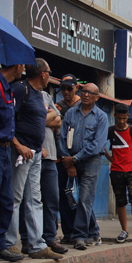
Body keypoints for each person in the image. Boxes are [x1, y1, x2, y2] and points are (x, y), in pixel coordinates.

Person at [6, 59, 63, 260]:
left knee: (34, 199)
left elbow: (55, 119)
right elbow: (8, 118)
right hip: (22, 152)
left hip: (36, 152)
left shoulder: (41, 95)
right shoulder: (21, 90)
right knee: (15, 197)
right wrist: (18, 145)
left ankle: (37, 244)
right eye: (49, 71)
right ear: (43, 74)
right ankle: (9, 242)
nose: (49, 75)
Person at [0, 62, 26, 263]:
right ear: (17, 65)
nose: (24, 70)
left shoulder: (9, 89)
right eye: (23, 66)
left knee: (5, 200)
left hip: (6, 148)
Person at [60, 82, 109, 250]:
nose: (86, 95)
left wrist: (75, 158)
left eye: (90, 93)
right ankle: (94, 231)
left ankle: (80, 235)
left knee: (84, 198)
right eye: (84, 91)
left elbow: (97, 145)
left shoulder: (101, 117)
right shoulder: (70, 114)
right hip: (72, 161)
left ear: (96, 97)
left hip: (91, 162)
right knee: (77, 199)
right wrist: (68, 160)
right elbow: (62, 138)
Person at [105, 104, 132, 243]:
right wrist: (110, 158)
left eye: (124, 118)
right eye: (119, 118)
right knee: (121, 201)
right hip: (116, 171)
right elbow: (101, 145)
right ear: (114, 117)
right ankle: (124, 230)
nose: (121, 121)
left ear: (128, 116)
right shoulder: (110, 131)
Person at [39, 86, 68, 254]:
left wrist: (38, 119)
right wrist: (47, 118)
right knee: (31, 201)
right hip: (33, 155)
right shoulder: (23, 91)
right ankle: (29, 239)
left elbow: (58, 120)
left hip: (51, 156)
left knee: (52, 199)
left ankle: (50, 237)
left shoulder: (45, 96)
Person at [55, 74, 82, 244]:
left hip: (80, 159)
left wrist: (74, 160)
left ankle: (81, 231)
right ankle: (68, 232)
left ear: (76, 87)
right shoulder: (57, 106)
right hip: (60, 159)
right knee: (63, 198)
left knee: (80, 197)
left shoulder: (83, 106)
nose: (66, 92)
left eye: (69, 88)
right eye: (63, 88)